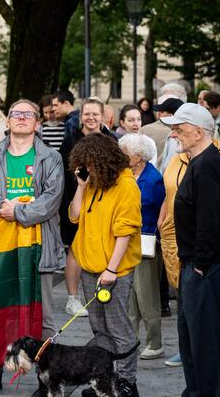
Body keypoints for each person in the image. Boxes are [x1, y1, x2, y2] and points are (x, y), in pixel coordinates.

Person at [0, 99, 66, 396]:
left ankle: (45, 379)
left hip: (39, 245)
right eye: (16, 114)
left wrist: (19, 212)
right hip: (0, 248)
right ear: (7, 121)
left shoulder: (50, 158)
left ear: (38, 123)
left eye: (28, 115)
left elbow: (51, 200)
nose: (22, 118)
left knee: (44, 317)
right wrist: (2, 205)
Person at [162, 103, 220, 397]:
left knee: (204, 337)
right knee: (192, 335)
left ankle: (209, 393)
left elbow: (210, 218)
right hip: (199, 262)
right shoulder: (201, 160)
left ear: (197, 133)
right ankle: (197, 391)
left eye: (178, 129)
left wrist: (200, 263)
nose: (174, 135)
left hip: (207, 264)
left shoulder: (207, 164)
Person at [69, 133, 142, 397]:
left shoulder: (126, 185)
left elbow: (126, 232)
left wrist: (111, 269)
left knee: (119, 329)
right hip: (90, 268)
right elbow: (75, 216)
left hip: (114, 271)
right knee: (100, 330)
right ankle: (106, 382)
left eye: (89, 164)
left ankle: (127, 382)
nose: (86, 169)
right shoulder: (92, 184)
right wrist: (80, 185)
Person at [59, 98, 115, 317]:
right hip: (77, 198)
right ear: (80, 115)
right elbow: (65, 172)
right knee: (75, 248)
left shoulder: (110, 140)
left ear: (103, 116)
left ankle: (100, 293)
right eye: (87, 114)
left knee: (103, 245)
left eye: (95, 114)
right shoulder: (71, 139)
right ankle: (73, 298)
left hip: (104, 201)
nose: (91, 118)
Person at [119, 134, 165, 361]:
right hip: (127, 243)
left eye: (126, 152)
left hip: (147, 243)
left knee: (147, 296)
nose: (122, 156)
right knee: (130, 297)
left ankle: (155, 343)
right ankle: (132, 340)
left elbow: (160, 210)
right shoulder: (125, 175)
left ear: (138, 156)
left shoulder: (154, 178)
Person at [141, 97, 184, 171]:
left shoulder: (144, 129)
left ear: (172, 115)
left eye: (162, 111)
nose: (159, 113)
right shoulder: (181, 136)